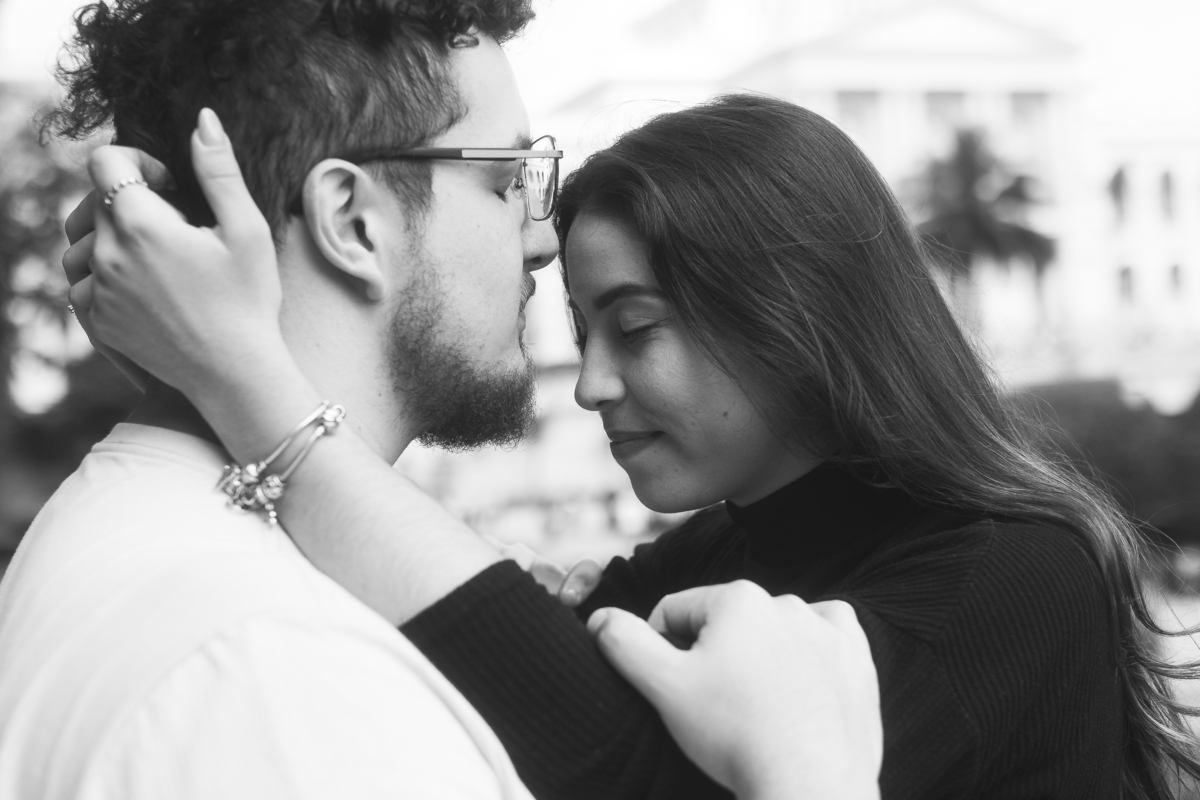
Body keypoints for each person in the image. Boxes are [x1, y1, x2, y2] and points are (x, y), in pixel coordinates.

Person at [68, 81, 1200, 798]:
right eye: (582, 331)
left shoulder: (1014, 574)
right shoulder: (718, 556)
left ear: (794, 315)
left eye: (638, 328)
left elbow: (617, 769)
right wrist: (180, 350)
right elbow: (489, 658)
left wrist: (245, 378)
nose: (594, 384)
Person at [0, 1, 886, 799]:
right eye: (505, 180)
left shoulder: (153, 527)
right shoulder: (294, 677)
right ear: (352, 222)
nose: (542, 238)